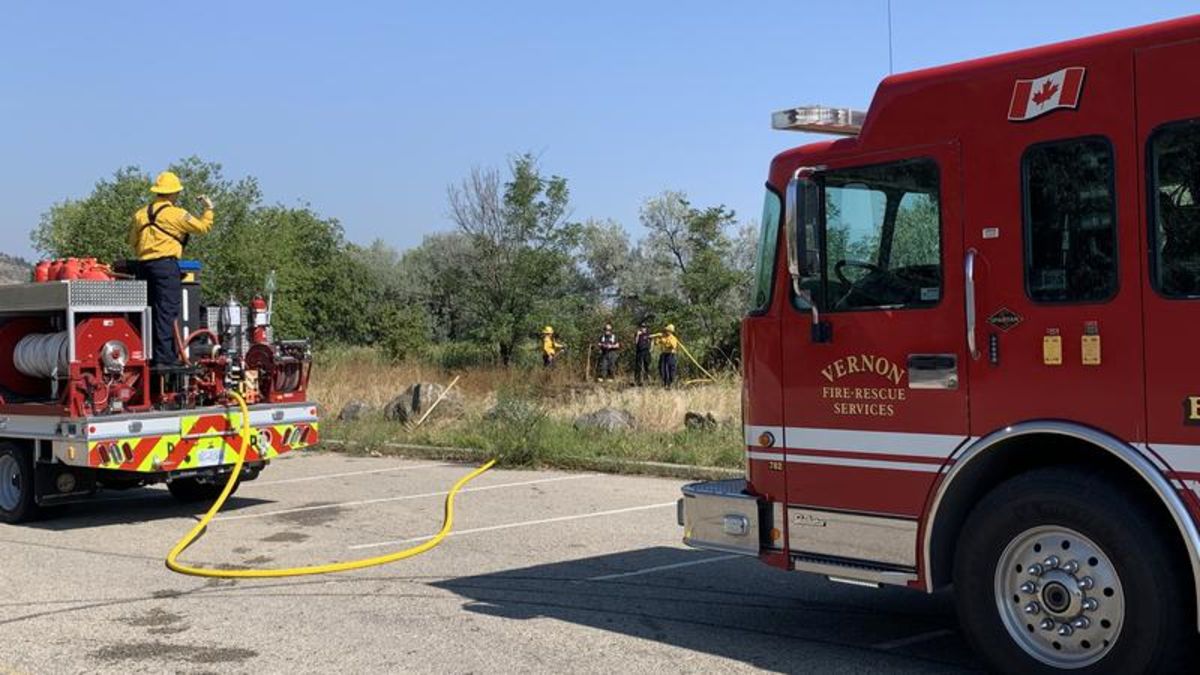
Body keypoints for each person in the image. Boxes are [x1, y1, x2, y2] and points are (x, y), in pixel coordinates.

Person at [128, 171, 214, 367]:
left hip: (143, 268)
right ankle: (164, 358)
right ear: (174, 193)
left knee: (146, 312)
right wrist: (209, 209)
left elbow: (132, 241)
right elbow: (202, 228)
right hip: (165, 267)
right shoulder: (176, 214)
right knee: (165, 312)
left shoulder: (140, 214)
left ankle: (144, 355)